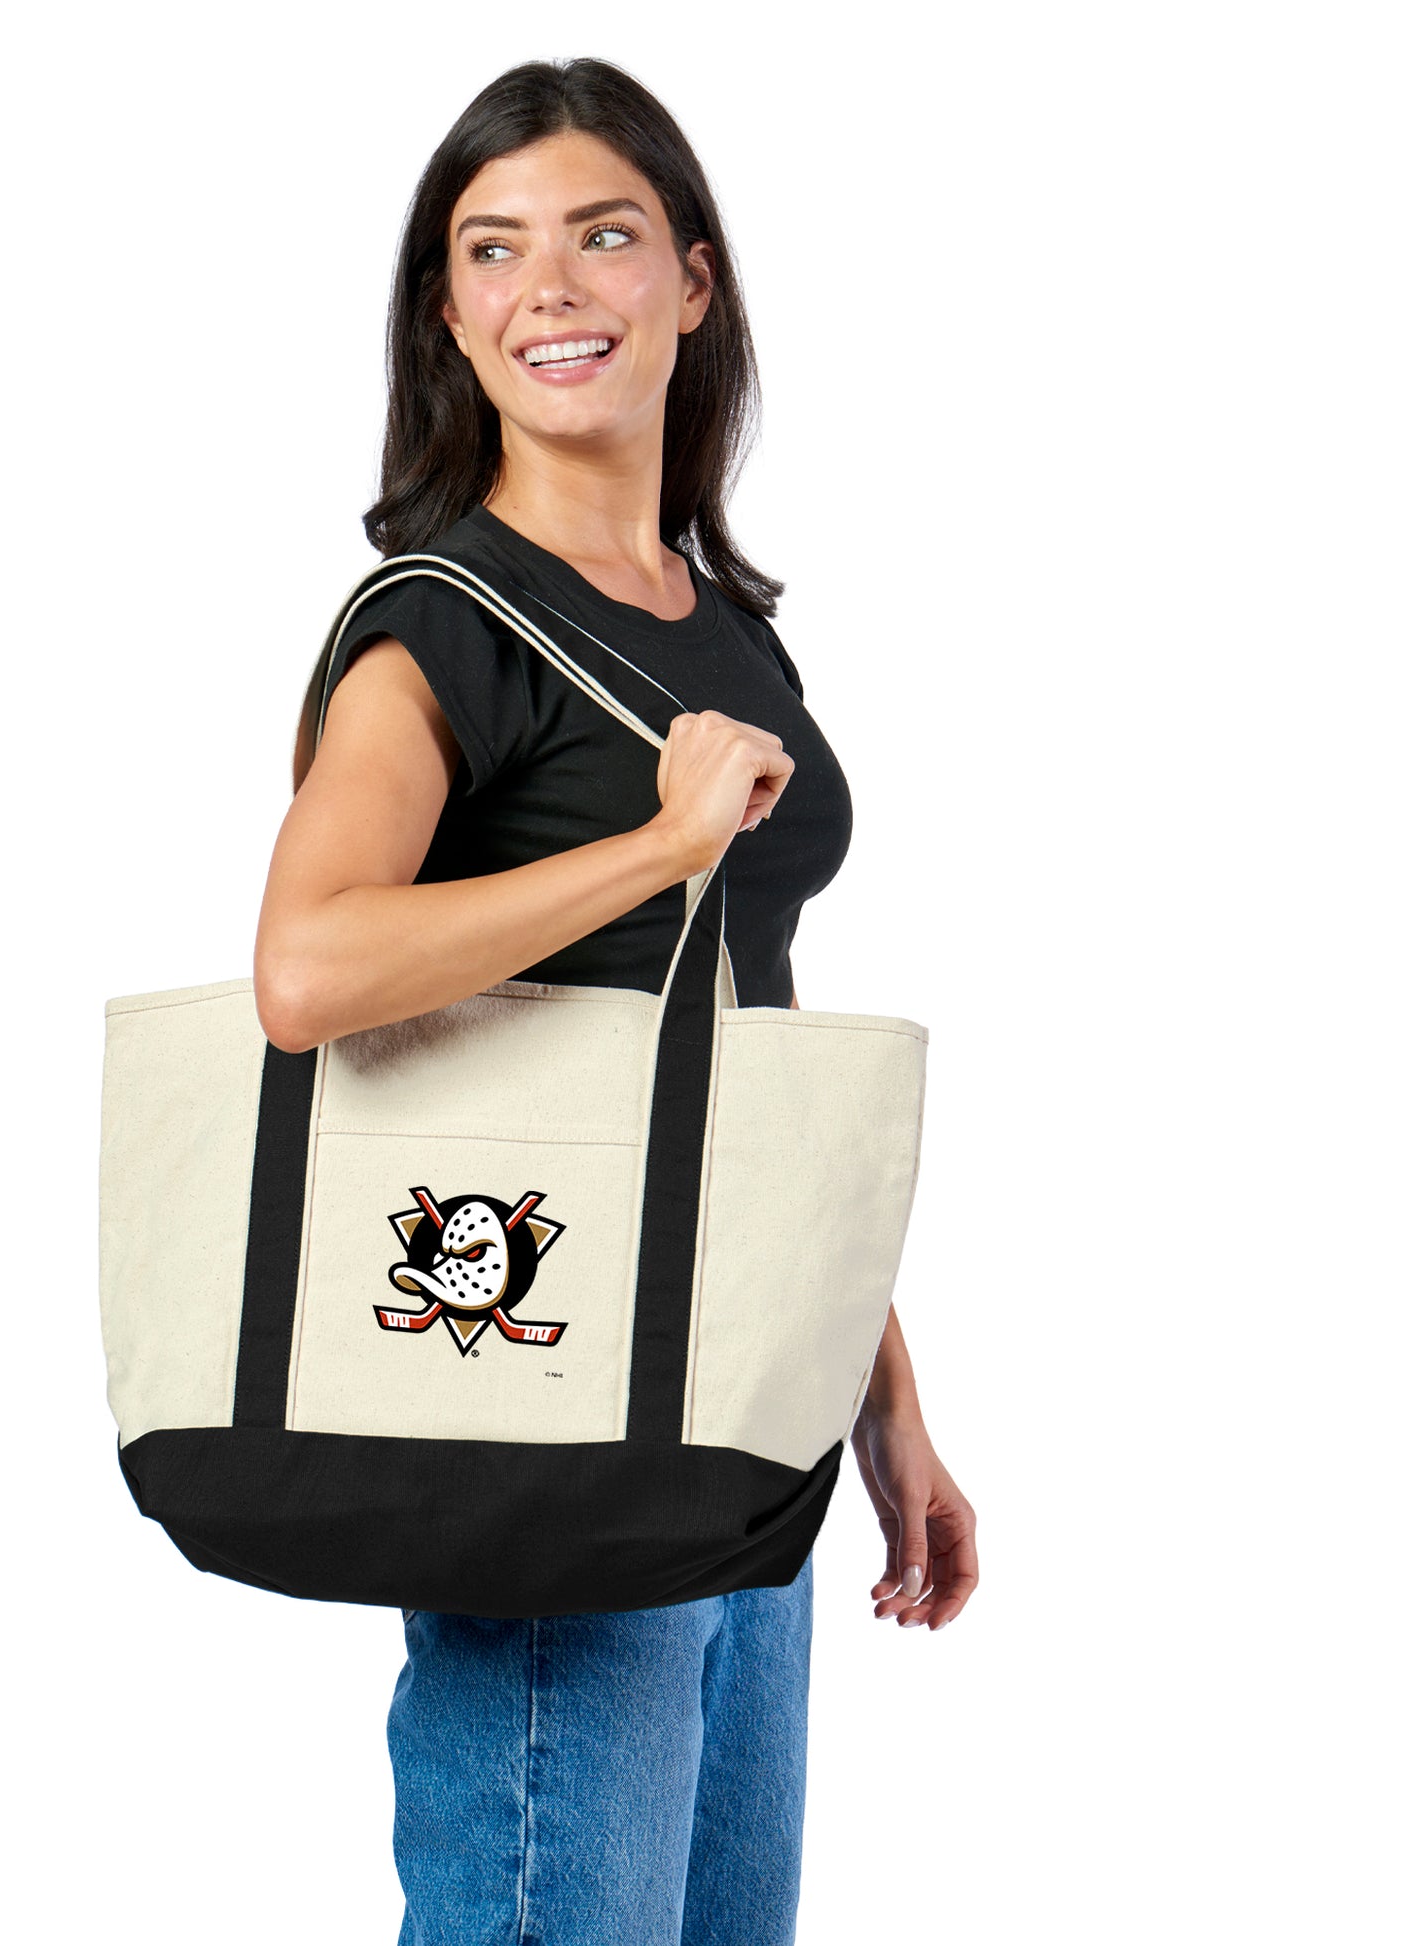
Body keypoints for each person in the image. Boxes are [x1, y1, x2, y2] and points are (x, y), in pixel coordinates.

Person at [253, 57, 978, 1946]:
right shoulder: (441, 624)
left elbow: (741, 1030)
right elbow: (307, 966)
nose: (550, 288)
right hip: (550, 1430)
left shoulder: (718, 625)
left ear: (691, 283)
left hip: (745, 1419)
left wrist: (881, 1388)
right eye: (491, 250)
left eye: (601, 235)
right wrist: (655, 846)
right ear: (446, 314)